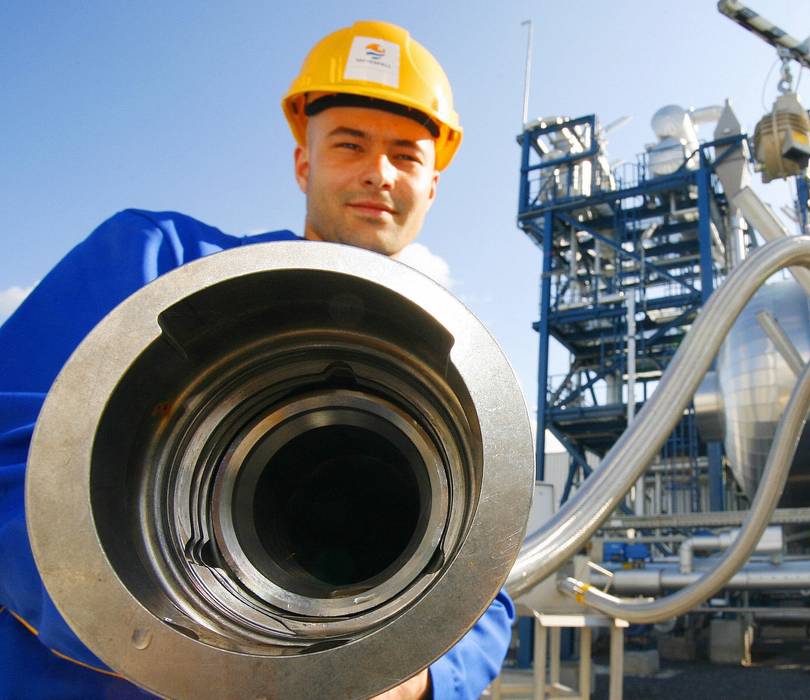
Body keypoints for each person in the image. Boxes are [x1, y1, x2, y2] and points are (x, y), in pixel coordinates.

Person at [0, 20, 511, 700]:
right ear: (304, 162)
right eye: (350, 144)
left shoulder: (455, 368)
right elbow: (14, 456)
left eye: (406, 155)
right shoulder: (159, 264)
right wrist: (205, 635)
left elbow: (484, 589)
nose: (379, 173)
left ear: (432, 186)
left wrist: (419, 678)